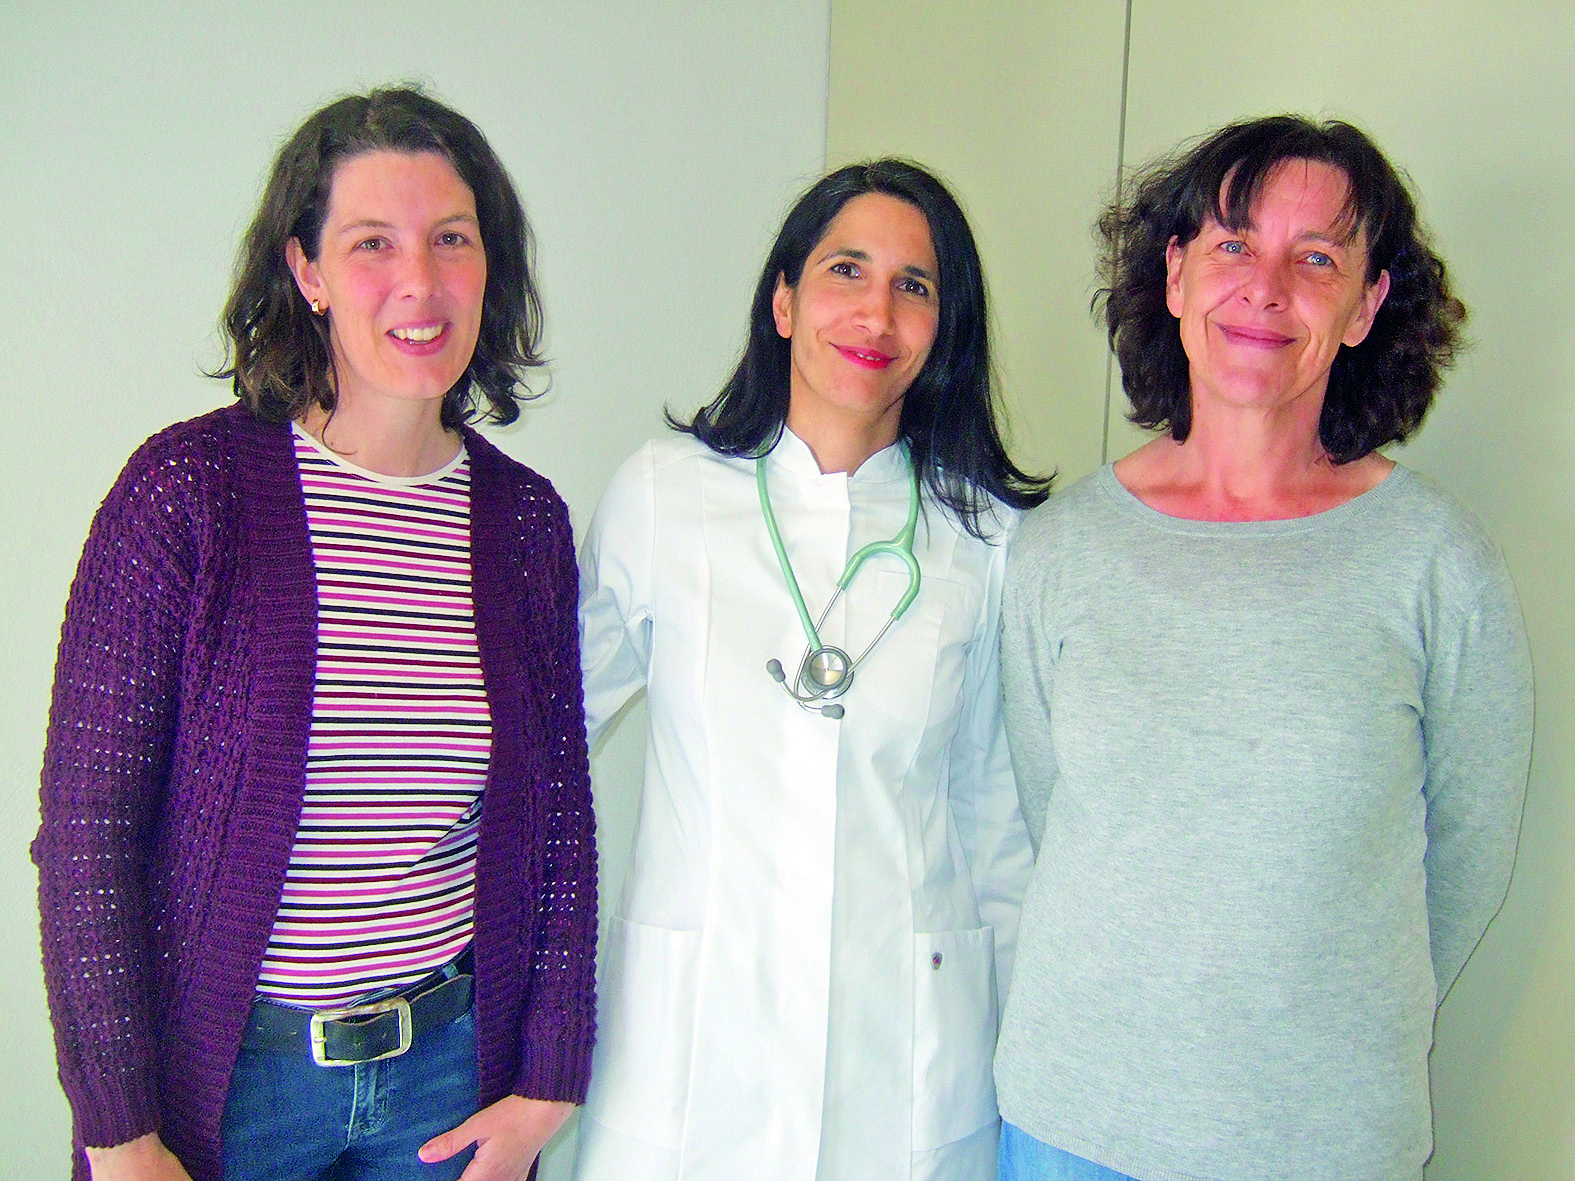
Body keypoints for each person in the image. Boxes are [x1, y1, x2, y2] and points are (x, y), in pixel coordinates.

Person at [33, 87, 597, 1181]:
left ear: (492, 264)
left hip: (447, 1078)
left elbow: (560, 818)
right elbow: (87, 830)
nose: (419, 283)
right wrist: (118, 1127)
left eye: (451, 239)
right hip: (231, 1089)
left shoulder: (525, 525)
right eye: (370, 243)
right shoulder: (187, 493)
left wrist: (548, 1077)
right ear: (307, 272)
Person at [994, 115, 1535, 1181]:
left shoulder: (1435, 562)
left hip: (1324, 1140)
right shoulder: (1062, 550)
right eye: (1236, 243)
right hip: (1072, 1126)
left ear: (1367, 305)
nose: (1267, 285)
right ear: (1178, 273)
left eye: (1318, 257)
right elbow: (1046, 808)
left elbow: (1465, 855)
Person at [574, 159, 1046, 1180]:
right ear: (784, 300)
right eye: (846, 270)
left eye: (915, 286)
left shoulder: (989, 540)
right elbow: (546, 743)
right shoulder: (664, 497)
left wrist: (1026, 1068)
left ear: (943, 328)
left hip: (908, 1058)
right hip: (694, 1059)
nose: (877, 310)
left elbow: (998, 828)